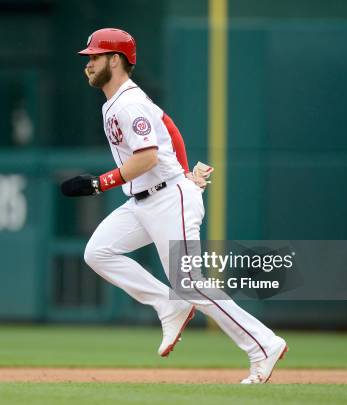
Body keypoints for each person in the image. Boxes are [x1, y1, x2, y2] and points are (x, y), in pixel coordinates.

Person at [61, 28, 287, 384]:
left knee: (191, 282)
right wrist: (183, 172)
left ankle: (264, 344)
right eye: (88, 57)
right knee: (99, 251)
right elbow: (171, 129)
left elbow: (148, 158)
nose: (88, 63)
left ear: (115, 60)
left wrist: (97, 184)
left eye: (95, 56)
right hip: (146, 200)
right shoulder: (119, 101)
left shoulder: (129, 102)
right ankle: (168, 305)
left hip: (166, 198)